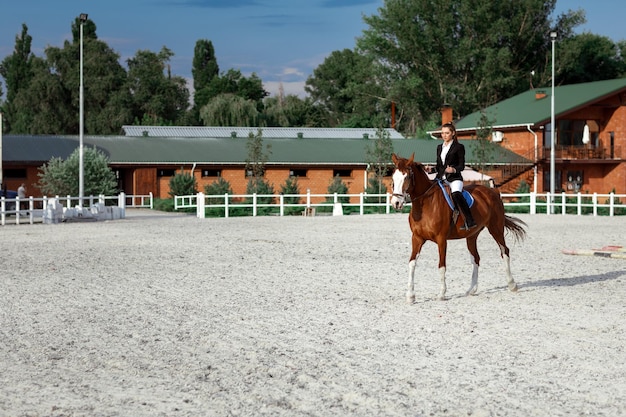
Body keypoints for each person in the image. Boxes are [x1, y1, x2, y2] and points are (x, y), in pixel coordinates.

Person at [435, 122, 476, 230]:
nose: (444, 135)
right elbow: (439, 166)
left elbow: (461, 166)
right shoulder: (439, 147)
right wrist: (431, 169)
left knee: (456, 194)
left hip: (454, 179)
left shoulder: (459, 147)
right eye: (442, 133)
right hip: (441, 178)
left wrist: (453, 169)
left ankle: (469, 220)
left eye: (447, 133)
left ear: (453, 133)